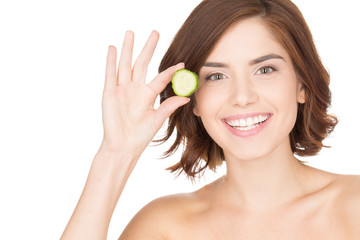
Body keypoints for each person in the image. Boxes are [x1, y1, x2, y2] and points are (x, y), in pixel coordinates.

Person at [61, 0, 360, 239]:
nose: (242, 96)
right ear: (193, 101)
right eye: (216, 76)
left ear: (302, 85)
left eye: (265, 70)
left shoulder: (354, 205)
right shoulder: (165, 227)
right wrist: (115, 155)